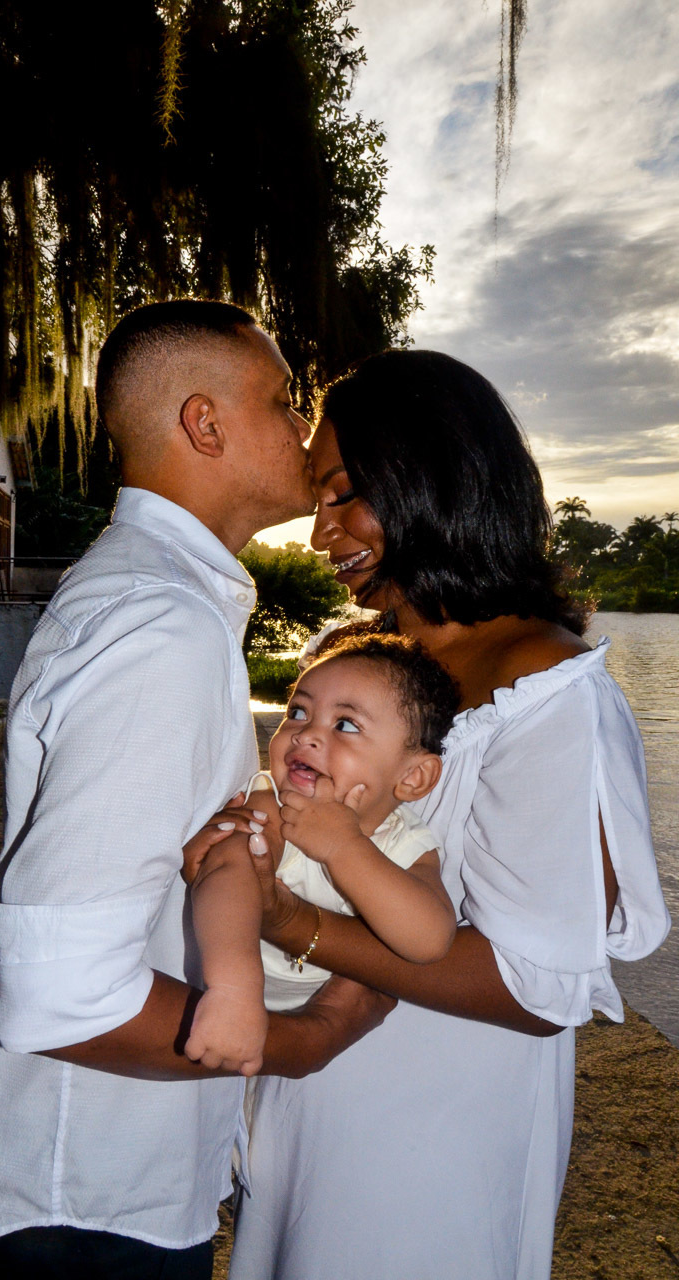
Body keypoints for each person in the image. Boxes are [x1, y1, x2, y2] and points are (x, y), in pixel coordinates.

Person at [0, 300, 392, 1280]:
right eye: (280, 402)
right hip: (78, 1198)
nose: (303, 433)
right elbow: (63, 996)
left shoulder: (155, 599)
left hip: (66, 1173)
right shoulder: (159, 626)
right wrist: (294, 1040)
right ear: (204, 424)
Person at [228, 349, 671, 1280]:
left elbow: (532, 987)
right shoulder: (352, 657)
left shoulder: (551, 696)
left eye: (345, 493)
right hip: (307, 1104)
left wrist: (299, 925)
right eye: (318, 497)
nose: (320, 534)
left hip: (432, 1145)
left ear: (434, 477)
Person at [183, 633, 458, 1085]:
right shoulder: (270, 806)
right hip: (227, 999)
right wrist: (233, 990)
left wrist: (344, 847)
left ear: (413, 777)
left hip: (322, 1025)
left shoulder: (407, 843)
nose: (306, 733)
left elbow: (428, 940)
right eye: (298, 712)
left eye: (345, 724)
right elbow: (230, 872)